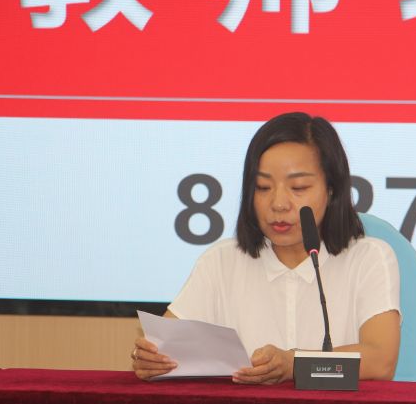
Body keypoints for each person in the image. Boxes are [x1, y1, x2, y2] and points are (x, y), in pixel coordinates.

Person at [131, 112, 400, 384]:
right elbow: (165, 345)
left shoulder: (369, 259)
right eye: (263, 187)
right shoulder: (221, 262)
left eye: (298, 187)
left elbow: (380, 362)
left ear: (331, 190)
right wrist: (152, 358)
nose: (278, 203)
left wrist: (293, 364)